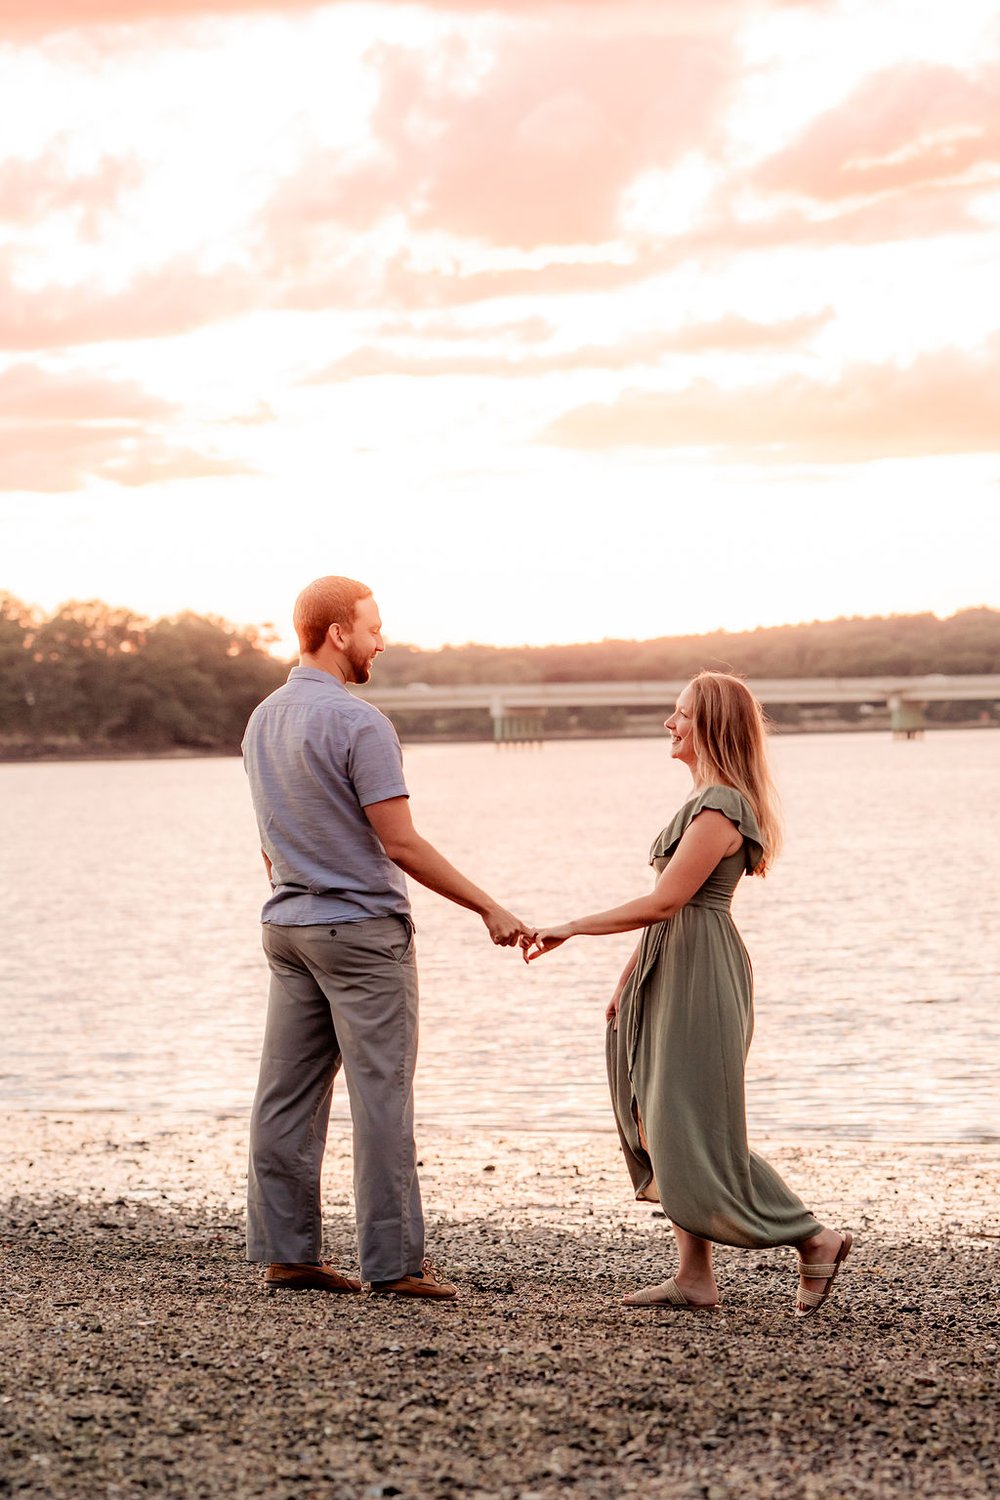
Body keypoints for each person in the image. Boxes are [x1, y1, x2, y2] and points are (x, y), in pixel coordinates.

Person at [522, 671, 852, 1317]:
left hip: (700, 976)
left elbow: (669, 901)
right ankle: (694, 1278)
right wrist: (628, 981)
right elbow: (666, 914)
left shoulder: (722, 806)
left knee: (693, 1126)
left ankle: (813, 1237)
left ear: (712, 728)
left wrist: (570, 926)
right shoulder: (702, 802)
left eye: (680, 714)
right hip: (668, 966)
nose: (669, 724)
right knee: (656, 1115)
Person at [242, 575, 527, 1302]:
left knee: (285, 1096)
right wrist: (488, 907)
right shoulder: (359, 722)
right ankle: (395, 1265)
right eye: (373, 628)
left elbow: (269, 847)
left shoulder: (263, 719)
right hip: (361, 934)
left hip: (287, 927)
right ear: (338, 633)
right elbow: (399, 843)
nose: (381, 640)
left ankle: (288, 1254)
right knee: (381, 1098)